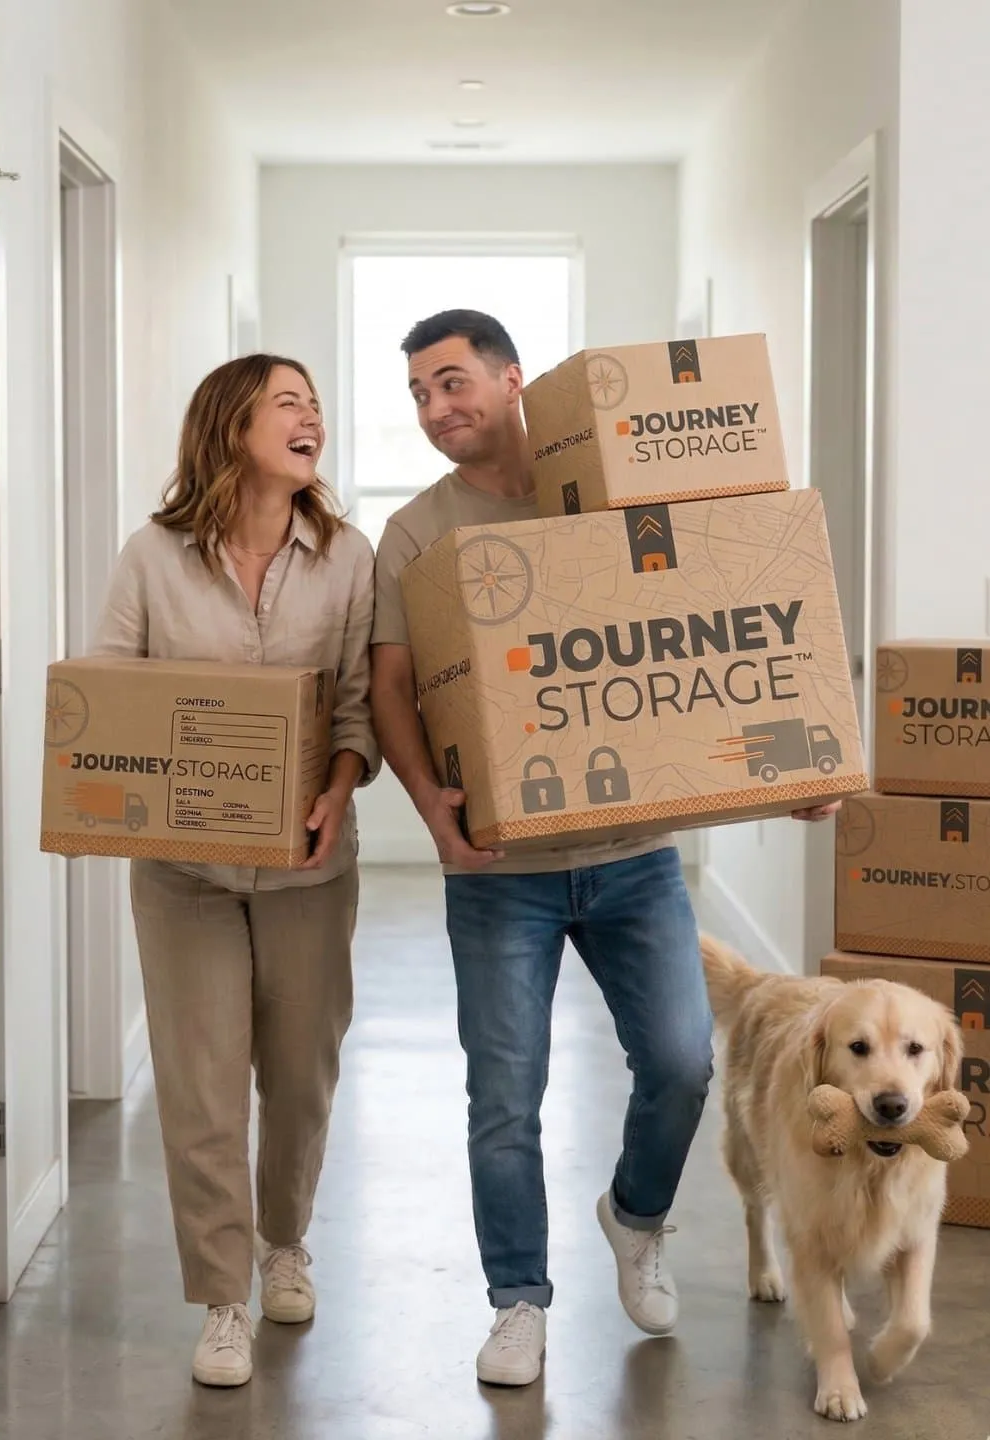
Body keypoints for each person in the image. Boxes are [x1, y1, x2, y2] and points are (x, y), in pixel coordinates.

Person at [369, 309, 840, 1388]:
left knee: (680, 1062)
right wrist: (433, 812)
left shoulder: (609, 492)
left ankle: (635, 1214)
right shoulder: (415, 533)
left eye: (452, 382)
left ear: (511, 379)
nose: (437, 408)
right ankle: (518, 1302)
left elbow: (701, 634)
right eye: (420, 394)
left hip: (634, 855)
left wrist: (789, 772)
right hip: (500, 871)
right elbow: (392, 687)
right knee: (505, 1095)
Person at [92, 353, 378, 1388]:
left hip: (310, 864)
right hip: (184, 874)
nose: (312, 419)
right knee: (202, 1085)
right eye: (288, 403)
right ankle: (222, 1298)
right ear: (231, 426)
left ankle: (284, 1242)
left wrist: (338, 788)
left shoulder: (348, 557)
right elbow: (110, 692)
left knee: (299, 1077)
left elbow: (356, 705)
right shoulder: (152, 556)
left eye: (316, 406)